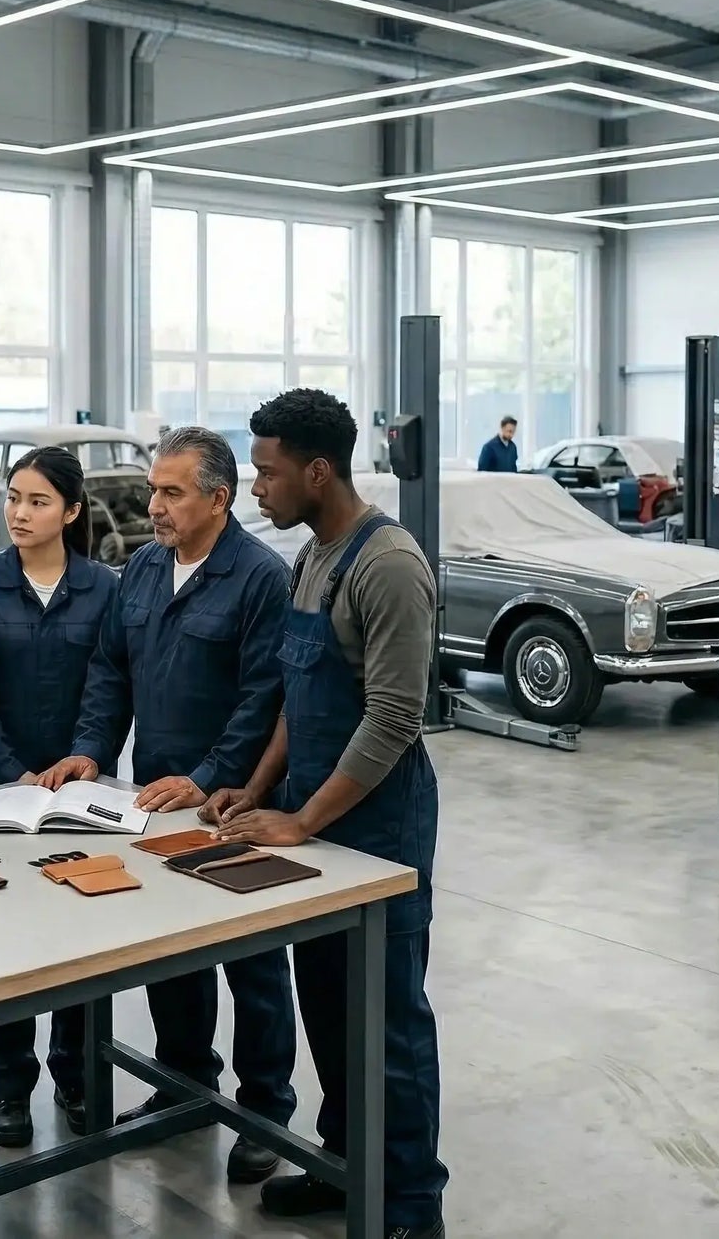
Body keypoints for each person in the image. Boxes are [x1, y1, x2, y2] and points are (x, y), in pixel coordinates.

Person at [201, 388, 447, 1239]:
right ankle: (349, 1168)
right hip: (312, 803)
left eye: (266, 472)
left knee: (388, 1016)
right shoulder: (311, 556)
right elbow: (294, 695)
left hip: (380, 820)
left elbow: (392, 719)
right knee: (330, 1004)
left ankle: (412, 1207)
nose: (255, 488)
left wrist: (301, 823)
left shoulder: (388, 565)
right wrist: (260, 785)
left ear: (317, 470)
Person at [39, 425, 297, 1184]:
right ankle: (184, 1084)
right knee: (171, 953)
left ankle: (265, 1111)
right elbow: (111, 673)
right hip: (151, 798)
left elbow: (263, 696)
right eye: (153, 488)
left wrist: (210, 775)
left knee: (252, 960)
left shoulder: (258, 578)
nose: (154, 504)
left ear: (219, 499)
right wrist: (93, 749)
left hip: (229, 803)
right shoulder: (144, 569)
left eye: (171, 492)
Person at [0, 446, 117, 1150]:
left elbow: (109, 678)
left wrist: (88, 754)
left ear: (72, 512)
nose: (18, 512)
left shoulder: (104, 588)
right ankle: (9, 1087)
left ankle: (76, 1074)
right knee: (1, 941)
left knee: (81, 935)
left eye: (38, 501)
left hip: (79, 792)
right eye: (13, 497)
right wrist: (8, 771)